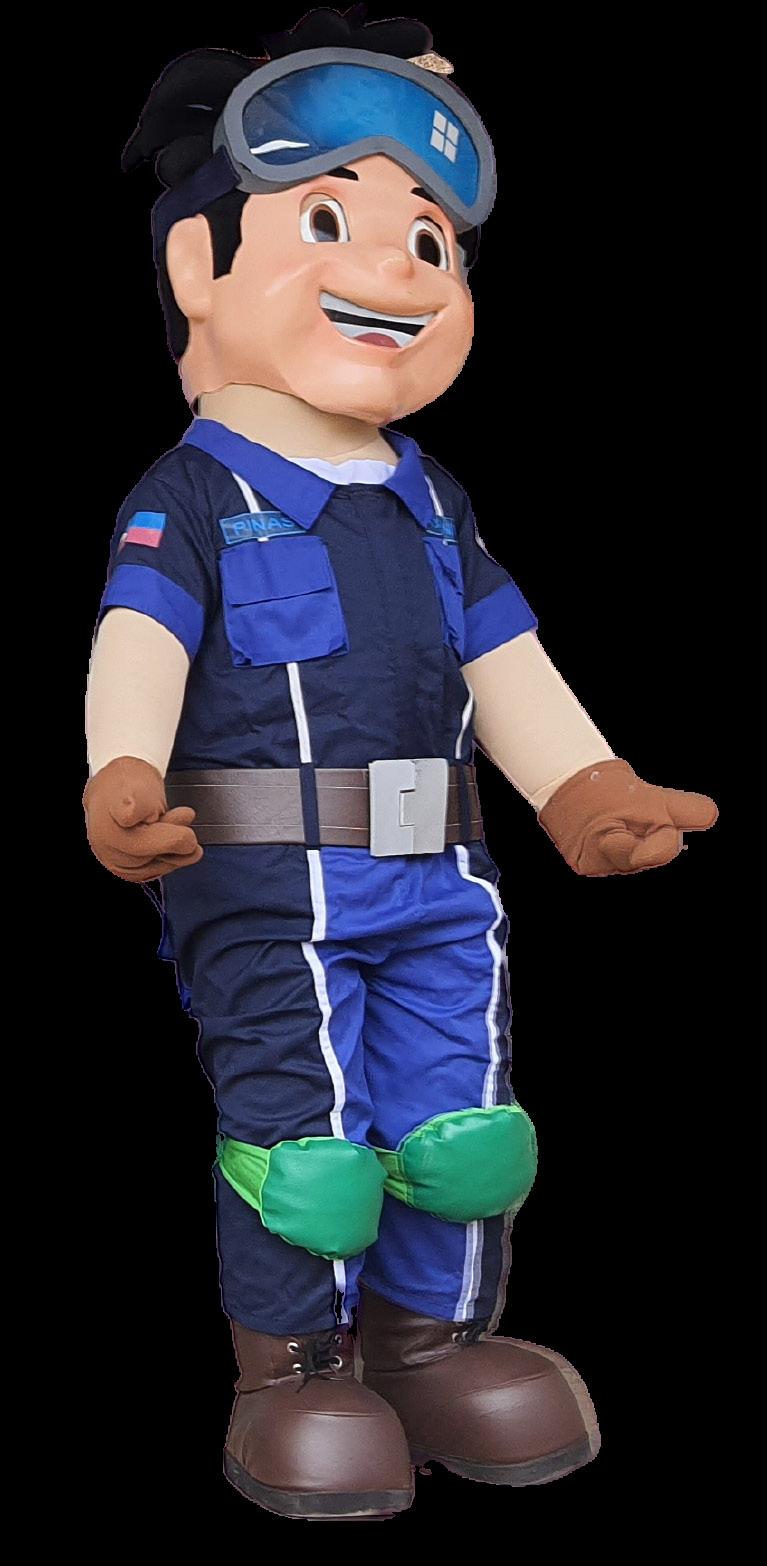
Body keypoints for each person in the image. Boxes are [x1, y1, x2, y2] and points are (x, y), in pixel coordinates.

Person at [83, 9, 718, 1520]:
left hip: (446, 874)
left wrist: (585, 788)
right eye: (329, 223)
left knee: (464, 1131)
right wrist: (120, 773)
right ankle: (293, 1372)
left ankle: (432, 1345)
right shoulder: (196, 491)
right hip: (268, 883)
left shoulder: (433, 500)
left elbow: (507, 659)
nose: (400, 271)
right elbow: (139, 638)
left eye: (431, 242)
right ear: (200, 268)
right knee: (310, 1148)